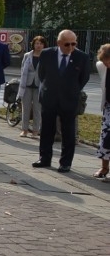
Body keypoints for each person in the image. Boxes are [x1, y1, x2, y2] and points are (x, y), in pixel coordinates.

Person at [32, 30, 91, 173]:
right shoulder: (46, 54)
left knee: (68, 132)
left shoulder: (81, 57)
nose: (70, 47)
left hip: (69, 100)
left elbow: (84, 78)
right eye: (67, 44)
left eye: (74, 44)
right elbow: (42, 74)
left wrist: (71, 89)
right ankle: (44, 158)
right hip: (49, 98)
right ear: (59, 43)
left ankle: (65, 162)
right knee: (46, 130)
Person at [17, 35, 46, 137]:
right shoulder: (27, 55)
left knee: (37, 109)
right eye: (37, 43)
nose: (38, 45)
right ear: (33, 44)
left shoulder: (46, 56)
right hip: (27, 84)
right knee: (26, 108)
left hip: (40, 86)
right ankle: (24, 129)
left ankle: (35, 131)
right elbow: (22, 69)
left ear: (44, 45)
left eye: (41, 43)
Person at [94, 43, 110, 181]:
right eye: (105, 61)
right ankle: (104, 167)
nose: (107, 64)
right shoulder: (102, 67)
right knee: (105, 137)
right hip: (108, 107)